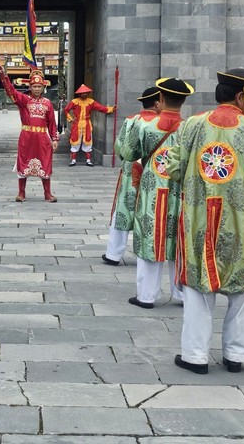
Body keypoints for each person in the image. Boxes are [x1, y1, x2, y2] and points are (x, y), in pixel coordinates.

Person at [166, 68, 244, 375]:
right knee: (242, 290)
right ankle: (237, 354)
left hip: (198, 218)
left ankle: (195, 355)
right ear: (241, 95)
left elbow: (173, 168)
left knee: (198, 287)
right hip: (238, 220)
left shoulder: (191, 125)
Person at [120, 78, 193, 308]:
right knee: (179, 240)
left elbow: (128, 153)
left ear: (160, 99)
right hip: (180, 191)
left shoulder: (145, 126)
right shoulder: (190, 128)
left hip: (152, 191)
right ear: (183, 101)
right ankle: (182, 294)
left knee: (150, 238)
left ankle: (147, 296)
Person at [0, 44, 59, 202]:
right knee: (23, 162)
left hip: (42, 138)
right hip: (27, 136)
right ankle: (21, 193)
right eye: (34, 86)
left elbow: (52, 123)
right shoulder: (24, 100)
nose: (37, 88)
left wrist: (54, 139)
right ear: (30, 86)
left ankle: (47, 193)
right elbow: (10, 91)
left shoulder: (48, 103)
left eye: (39, 86)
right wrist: (3, 75)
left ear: (43, 87)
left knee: (45, 164)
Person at [103, 86, 161, 266]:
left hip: (131, 171)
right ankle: (150, 251)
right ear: (158, 103)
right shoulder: (162, 122)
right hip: (155, 173)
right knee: (151, 210)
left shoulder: (131, 120)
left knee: (123, 209)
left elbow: (119, 148)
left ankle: (113, 253)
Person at [64, 84, 116, 166]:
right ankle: (73, 160)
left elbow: (100, 108)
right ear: (79, 94)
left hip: (87, 124)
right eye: (82, 93)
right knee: (75, 141)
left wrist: (111, 109)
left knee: (88, 141)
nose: (84, 94)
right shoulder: (74, 101)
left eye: (86, 93)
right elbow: (66, 110)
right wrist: (71, 119)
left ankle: (88, 160)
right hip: (77, 124)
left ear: (88, 93)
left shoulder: (91, 101)